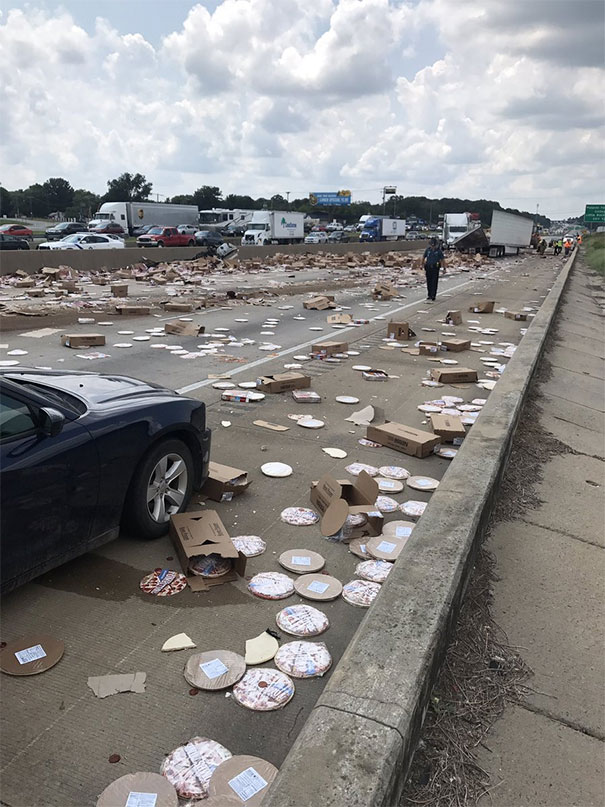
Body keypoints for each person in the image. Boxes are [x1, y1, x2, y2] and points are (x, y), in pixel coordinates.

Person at [422, 237, 445, 302]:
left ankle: (433, 295)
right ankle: (429, 295)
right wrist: (422, 265)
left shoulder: (439, 251)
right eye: (432, 245)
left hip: (435, 268)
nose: (433, 246)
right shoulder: (428, 250)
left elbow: (442, 260)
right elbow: (423, 257)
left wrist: (444, 268)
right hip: (428, 267)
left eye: (434, 245)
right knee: (429, 281)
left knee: (434, 282)